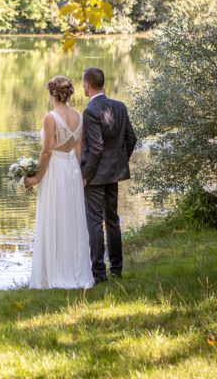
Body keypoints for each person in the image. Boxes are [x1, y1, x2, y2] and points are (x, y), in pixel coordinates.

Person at [24, 76, 93, 289]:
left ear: (52, 93)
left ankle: (53, 275)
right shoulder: (78, 116)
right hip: (72, 169)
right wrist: (81, 175)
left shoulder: (50, 117)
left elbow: (46, 151)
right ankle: (73, 271)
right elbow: (79, 148)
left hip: (55, 170)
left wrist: (36, 177)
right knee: (71, 219)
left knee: (53, 217)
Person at [80, 67, 137, 283]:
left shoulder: (90, 111)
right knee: (112, 220)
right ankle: (117, 269)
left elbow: (96, 148)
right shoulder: (120, 107)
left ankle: (98, 274)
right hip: (113, 175)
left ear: (87, 85)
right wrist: (118, 163)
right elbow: (131, 139)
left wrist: (86, 175)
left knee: (94, 223)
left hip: (95, 178)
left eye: (83, 84)